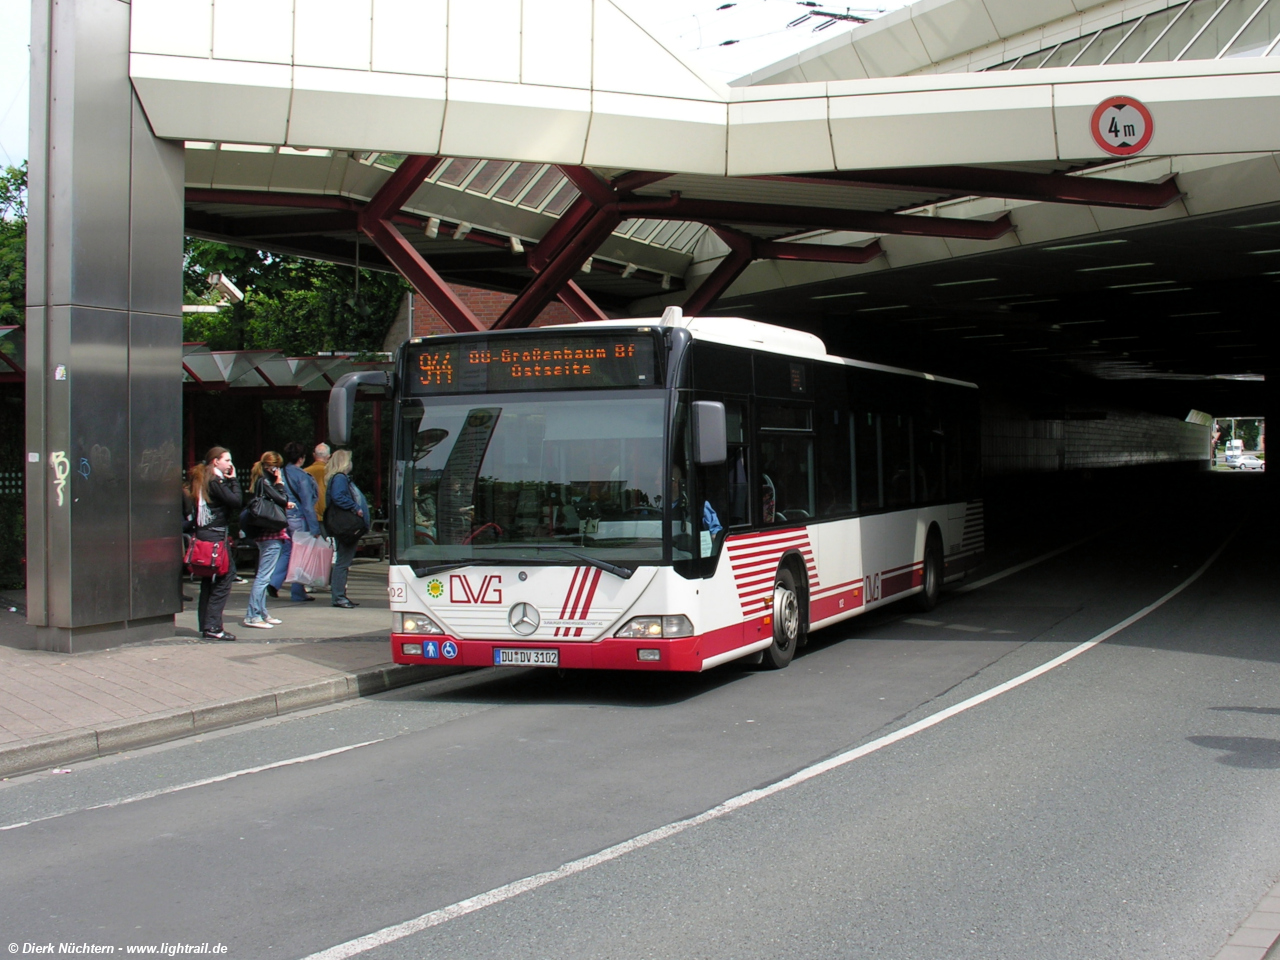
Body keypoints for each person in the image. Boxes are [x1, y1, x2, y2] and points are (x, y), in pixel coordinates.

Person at [189, 447, 242, 641]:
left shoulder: (203, 480)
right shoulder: (215, 481)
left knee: (207, 580)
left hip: (205, 535)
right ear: (215, 461)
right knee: (224, 579)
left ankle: (206, 624)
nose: (230, 464)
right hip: (216, 537)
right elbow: (236, 501)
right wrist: (234, 480)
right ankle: (213, 626)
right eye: (227, 460)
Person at [242, 451, 294, 629]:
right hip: (271, 535)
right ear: (272, 467)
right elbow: (282, 498)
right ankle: (253, 615)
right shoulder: (266, 482)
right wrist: (280, 484)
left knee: (264, 575)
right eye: (277, 467)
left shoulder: (260, 481)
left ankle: (261, 611)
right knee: (263, 577)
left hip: (265, 534)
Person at [269, 441, 321, 602]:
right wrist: (315, 528)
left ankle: (273, 582)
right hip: (299, 518)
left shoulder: (280, 473)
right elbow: (307, 504)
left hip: (284, 518)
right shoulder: (302, 476)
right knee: (301, 555)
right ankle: (297, 591)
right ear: (301, 458)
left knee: (287, 551)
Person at [325, 449, 368, 609]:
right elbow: (338, 497)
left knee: (343, 561)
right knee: (343, 561)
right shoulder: (340, 478)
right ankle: (339, 596)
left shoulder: (337, 478)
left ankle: (340, 595)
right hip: (346, 526)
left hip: (341, 525)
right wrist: (355, 507)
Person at [305, 442, 330, 522]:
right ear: (328, 456)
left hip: (308, 515)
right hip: (327, 515)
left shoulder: (303, 472)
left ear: (314, 455)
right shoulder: (331, 473)